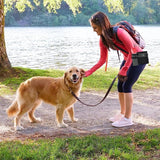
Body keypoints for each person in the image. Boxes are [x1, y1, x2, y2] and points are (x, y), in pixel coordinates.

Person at [84, 11, 146, 127]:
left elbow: (133, 50)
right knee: (119, 85)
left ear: (102, 25)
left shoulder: (119, 32)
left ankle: (128, 119)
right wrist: (88, 72)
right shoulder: (103, 39)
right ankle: (123, 114)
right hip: (129, 58)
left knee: (126, 86)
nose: (94, 30)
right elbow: (102, 60)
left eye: (95, 27)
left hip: (139, 57)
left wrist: (124, 69)